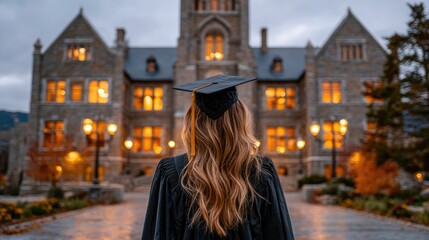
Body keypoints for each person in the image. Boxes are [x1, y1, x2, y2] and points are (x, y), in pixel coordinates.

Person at [142, 75, 295, 240]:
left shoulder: (171, 172)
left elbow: (158, 233)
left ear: (193, 121)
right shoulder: (262, 171)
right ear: (240, 121)